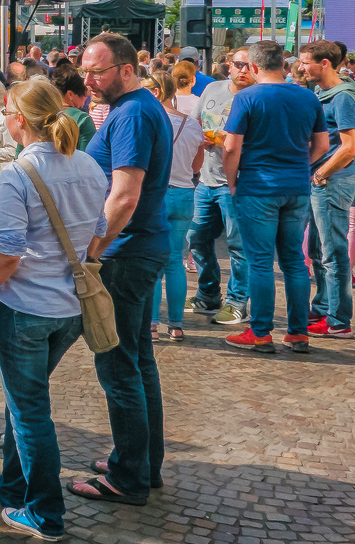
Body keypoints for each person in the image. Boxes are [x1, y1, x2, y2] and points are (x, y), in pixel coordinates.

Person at [0, 77, 110, 542]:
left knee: (30, 412)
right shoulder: (89, 165)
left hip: (24, 308)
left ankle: (45, 513)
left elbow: (8, 252)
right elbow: (100, 232)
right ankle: (12, 485)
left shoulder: (18, 174)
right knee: (22, 401)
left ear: (17, 119)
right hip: (69, 309)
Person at [72, 31, 171, 505]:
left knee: (118, 364)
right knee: (137, 360)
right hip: (140, 248)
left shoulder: (131, 113)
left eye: (97, 71)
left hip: (126, 254)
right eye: (85, 70)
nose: (87, 79)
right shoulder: (138, 107)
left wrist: (93, 250)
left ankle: (127, 476)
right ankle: (142, 462)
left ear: (127, 70)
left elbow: (124, 196)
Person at [221, 40, 328, 354]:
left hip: (257, 187)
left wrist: (231, 182)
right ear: (283, 64)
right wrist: (299, 165)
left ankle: (260, 332)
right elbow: (322, 146)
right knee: (294, 261)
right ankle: (297, 333)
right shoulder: (308, 97)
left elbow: (230, 147)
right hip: (296, 187)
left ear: (253, 67)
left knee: (260, 262)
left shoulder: (247, 97)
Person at [299, 40, 355, 336]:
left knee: (333, 251)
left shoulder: (342, 98)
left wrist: (321, 173)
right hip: (324, 179)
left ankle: (339, 320)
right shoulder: (323, 92)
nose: (301, 68)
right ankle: (323, 306)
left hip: (332, 179)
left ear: (324, 63)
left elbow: (350, 147)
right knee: (317, 248)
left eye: (305, 62)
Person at [191, 46, 252, 326]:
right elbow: (194, 123)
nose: (244, 70)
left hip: (238, 184)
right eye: (239, 64)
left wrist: (232, 141)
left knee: (238, 245)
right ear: (229, 65)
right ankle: (208, 293)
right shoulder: (213, 89)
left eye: (250, 66)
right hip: (207, 179)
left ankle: (237, 301)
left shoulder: (257, 97)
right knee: (197, 239)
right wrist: (199, 137)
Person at [145, 66, 203, 342]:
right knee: (176, 263)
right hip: (184, 194)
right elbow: (197, 165)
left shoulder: (150, 121)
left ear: (155, 91)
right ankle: (176, 325)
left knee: (153, 263)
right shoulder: (193, 124)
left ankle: (152, 324)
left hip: (156, 194)